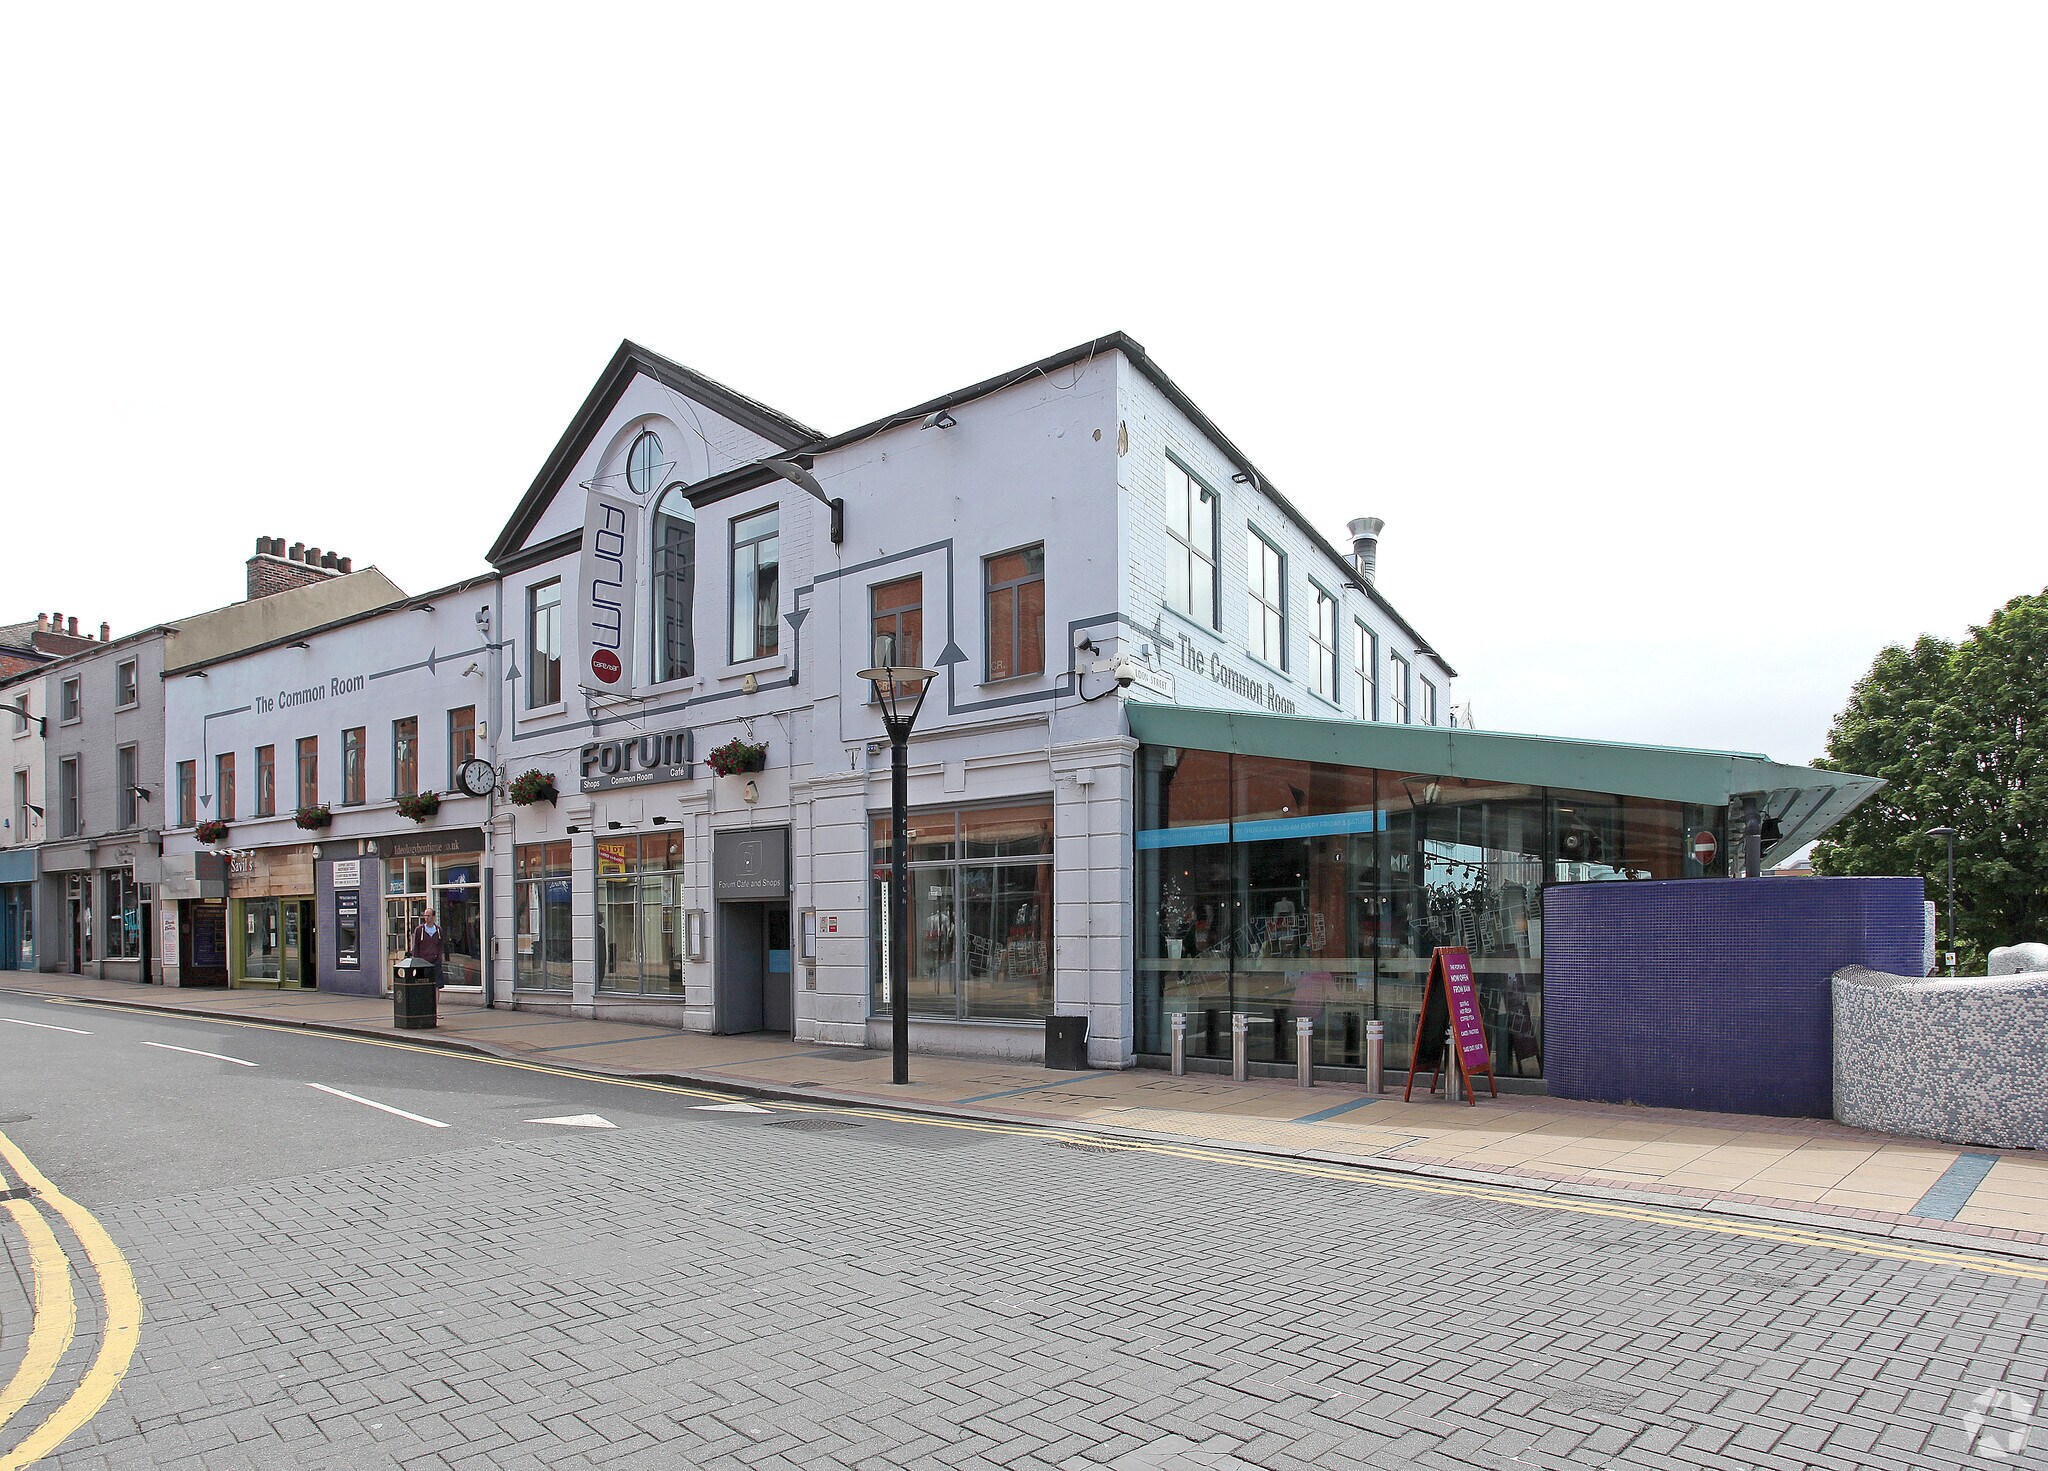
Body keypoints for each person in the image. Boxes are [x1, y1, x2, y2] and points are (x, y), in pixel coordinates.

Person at [408, 907, 445, 988]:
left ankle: (436, 1001)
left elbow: (440, 945)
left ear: (433, 917)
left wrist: (439, 959)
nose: (426, 918)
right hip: (423, 962)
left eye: (428, 915)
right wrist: (417, 961)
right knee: (423, 984)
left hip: (435, 962)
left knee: (437, 985)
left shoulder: (438, 930)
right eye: (425, 916)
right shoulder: (419, 930)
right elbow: (416, 946)